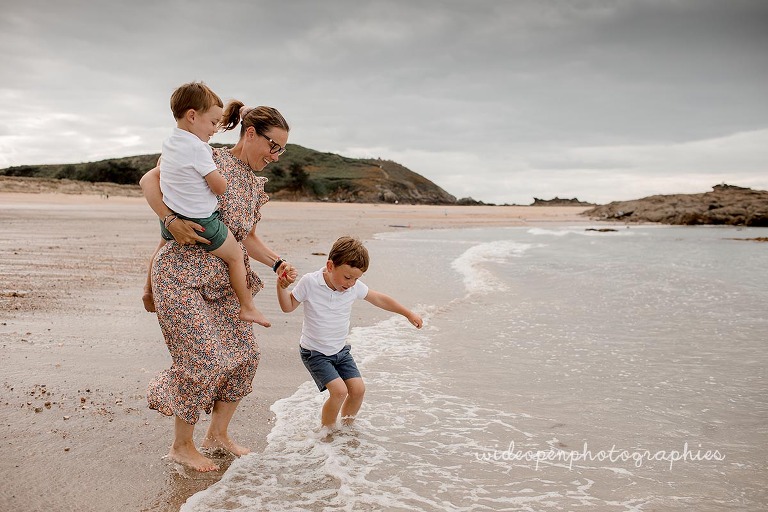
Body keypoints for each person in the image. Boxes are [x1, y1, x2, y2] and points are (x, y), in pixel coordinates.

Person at [140, 100, 295, 472]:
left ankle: (217, 436)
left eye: (282, 150)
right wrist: (169, 219)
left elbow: (246, 237)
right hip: (180, 276)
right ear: (251, 133)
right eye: (273, 146)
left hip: (224, 283)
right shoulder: (205, 156)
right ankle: (182, 445)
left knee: (245, 356)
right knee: (203, 359)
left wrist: (277, 263)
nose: (276, 156)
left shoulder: (254, 185)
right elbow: (149, 181)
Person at [144, 81, 269, 326]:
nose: (214, 130)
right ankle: (247, 306)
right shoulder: (200, 149)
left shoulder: (169, 143)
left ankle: (148, 289)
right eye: (212, 123)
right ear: (192, 116)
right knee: (235, 256)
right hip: (202, 220)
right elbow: (219, 187)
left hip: (172, 216)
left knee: (161, 245)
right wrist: (221, 179)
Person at [276, 236, 423, 430]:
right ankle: (327, 432)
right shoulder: (310, 282)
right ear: (330, 266)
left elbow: (379, 299)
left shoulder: (353, 288)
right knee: (339, 392)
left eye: (356, 279)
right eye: (347, 277)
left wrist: (407, 313)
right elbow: (287, 307)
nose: (351, 283)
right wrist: (281, 287)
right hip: (315, 352)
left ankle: (346, 429)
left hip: (340, 351)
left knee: (358, 390)